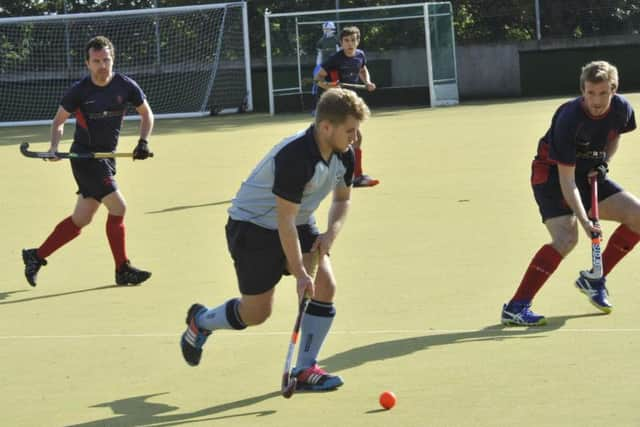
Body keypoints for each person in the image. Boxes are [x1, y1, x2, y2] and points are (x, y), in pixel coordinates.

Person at [180, 88, 370, 392]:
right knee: (257, 312)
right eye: (350, 130)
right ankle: (201, 321)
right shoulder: (294, 157)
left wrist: (330, 233)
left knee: (325, 286)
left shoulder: (345, 154)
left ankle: (306, 368)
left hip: (299, 220)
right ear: (326, 127)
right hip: (253, 227)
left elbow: (342, 200)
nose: (355, 137)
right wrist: (299, 273)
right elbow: (283, 221)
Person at [501, 60, 640, 326]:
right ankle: (516, 307)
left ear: (614, 89)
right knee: (566, 237)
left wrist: (604, 162)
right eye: (590, 93)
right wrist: (585, 222)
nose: (596, 101)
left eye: (602, 93)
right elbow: (567, 181)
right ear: (582, 91)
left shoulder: (622, 108)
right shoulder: (569, 119)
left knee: (638, 216)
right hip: (552, 176)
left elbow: (614, 135)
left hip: (586, 171)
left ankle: (595, 279)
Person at [22, 35, 154, 287]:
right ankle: (122, 268)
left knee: (81, 220)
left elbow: (147, 115)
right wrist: (53, 147)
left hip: (106, 157)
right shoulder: (80, 90)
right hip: (85, 158)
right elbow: (59, 121)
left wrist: (143, 142)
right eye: (96, 61)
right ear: (87, 63)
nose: (102, 65)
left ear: (113, 59)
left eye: (106, 60)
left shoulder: (126, 86)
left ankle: (36, 256)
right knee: (119, 208)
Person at [314, 26, 379, 188]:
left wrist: (367, 82)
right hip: (335, 101)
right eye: (346, 41)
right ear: (341, 43)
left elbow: (362, 70)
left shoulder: (360, 55)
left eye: (353, 40)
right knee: (351, 137)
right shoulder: (335, 59)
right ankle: (352, 176)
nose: (350, 44)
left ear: (358, 41)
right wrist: (331, 86)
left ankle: (350, 175)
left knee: (352, 138)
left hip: (350, 100)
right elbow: (318, 79)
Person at [311, 21, 340, 103]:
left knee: (336, 85)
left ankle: (338, 105)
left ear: (332, 29)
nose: (326, 31)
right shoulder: (321, 41)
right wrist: (317, 66)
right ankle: (318, 107)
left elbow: (340, 53)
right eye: (325, 29)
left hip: (334, 67)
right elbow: (319, 54)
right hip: (323, 68)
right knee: (320, 86)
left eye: (327, 29)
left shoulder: (337, 40)